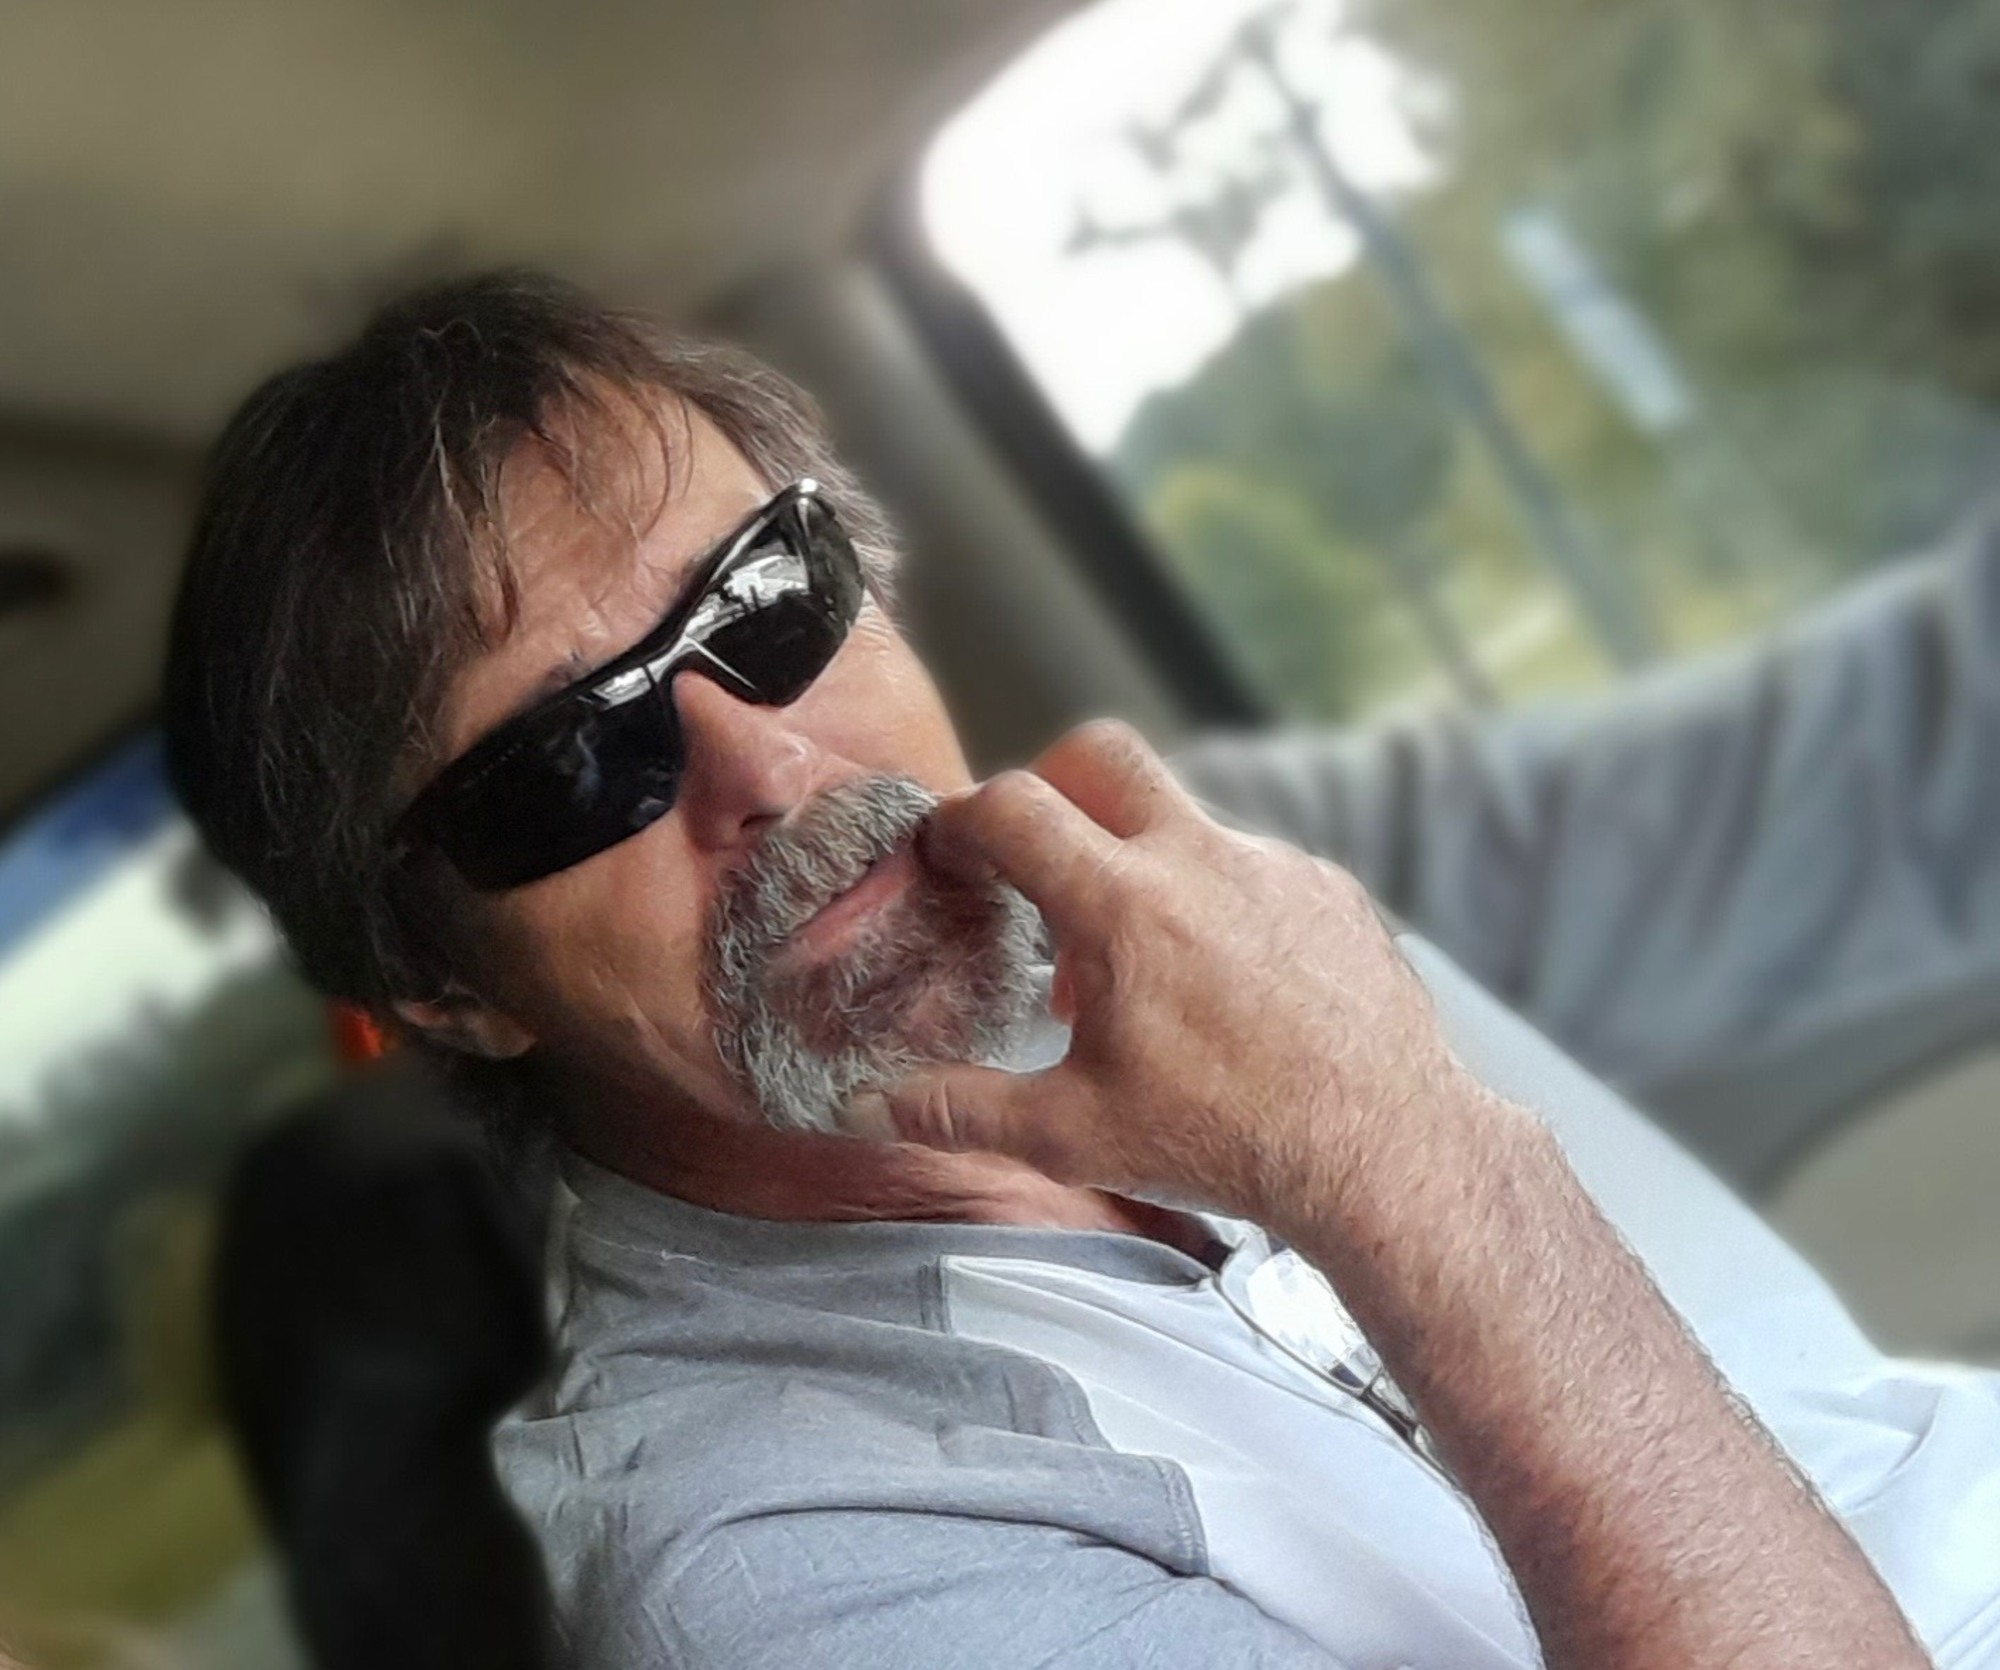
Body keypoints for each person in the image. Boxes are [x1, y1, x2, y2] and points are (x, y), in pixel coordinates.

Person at [162, 273, 1999, 1669]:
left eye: (768, 602)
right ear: (446, 989)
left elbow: (1875, 777)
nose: (768, 766)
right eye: (566, 765)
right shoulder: (776, 1559)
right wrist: (1401, 1164)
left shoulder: (1239, 876)